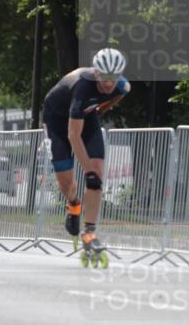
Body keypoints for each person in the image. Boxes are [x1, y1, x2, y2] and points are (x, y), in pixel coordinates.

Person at [41, 48, 130, 254]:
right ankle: (73, 204)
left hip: (86, 116)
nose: (109, 83)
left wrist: (101, 109)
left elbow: (116, 96)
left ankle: (90, 234)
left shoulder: (123, 86)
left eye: (114, 78)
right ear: (96, 73)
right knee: (66, 180)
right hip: (57, 119)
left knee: (97, 174)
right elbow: (73, 135)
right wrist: (87, 169)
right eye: (105, 78)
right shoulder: (82, 87)